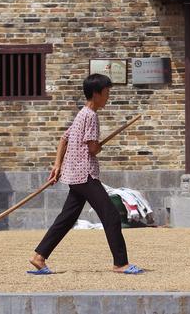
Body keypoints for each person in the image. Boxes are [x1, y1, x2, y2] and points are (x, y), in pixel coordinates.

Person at [28, 73, 143, 275]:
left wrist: (58, 166)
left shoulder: (82, 114)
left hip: (74, 175)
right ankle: (121, 263)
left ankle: (39, 256)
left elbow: (64, 139)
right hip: (84, 175)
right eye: (106, 93)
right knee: (112, 216)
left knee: (66, 218)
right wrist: (98, 147)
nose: (108, 97)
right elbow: (92, 149)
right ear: (96, 94)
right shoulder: (90, 116)